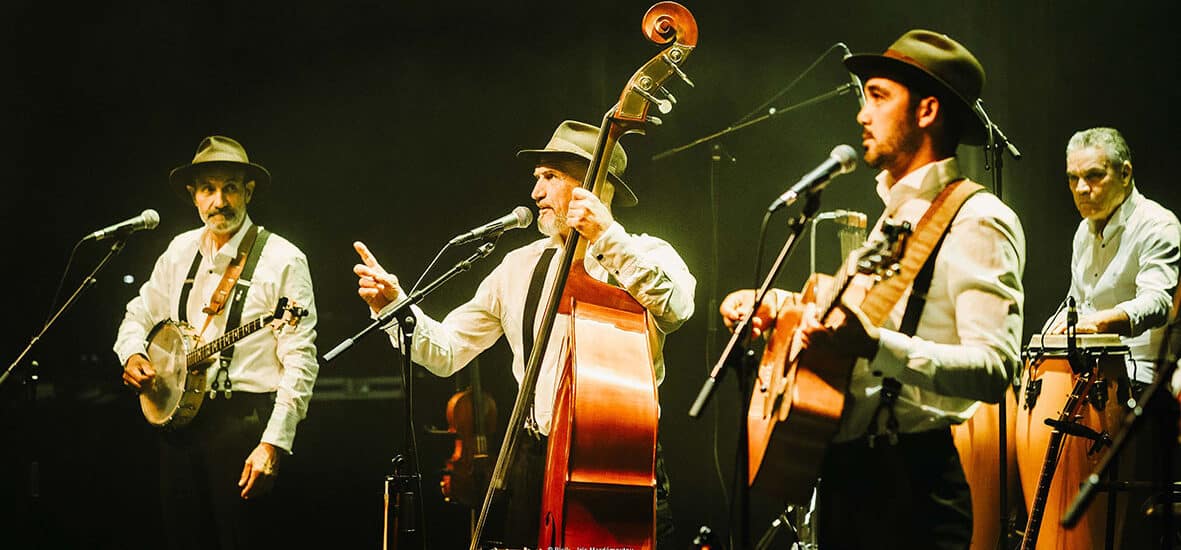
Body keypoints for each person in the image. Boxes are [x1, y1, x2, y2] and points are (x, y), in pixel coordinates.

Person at [720, 30, 1025, 549]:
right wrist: (781, 308)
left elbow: (996, 370)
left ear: (927, 110)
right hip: (847, 481)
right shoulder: (894, 217)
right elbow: (851, 324)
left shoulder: (977, 218)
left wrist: (875, 347)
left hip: (912, 486)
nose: (862, 115)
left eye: (879, 97)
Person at [352, 120, 695, 547]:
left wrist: (607, 236)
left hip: (618, 462)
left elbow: (677, 307)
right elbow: (447, 351)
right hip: (535, 463)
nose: (535, 194)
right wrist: (395, 308)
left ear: (595, 184)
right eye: (537, 179)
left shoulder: (646, 253)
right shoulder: (519, 265)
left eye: (550, 178)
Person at [115, 136, 319, 549]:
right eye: (208, 188)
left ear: (249, 190)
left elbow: (301, 361)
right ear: (193, 196)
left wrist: (273, 443)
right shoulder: (179, 250)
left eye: (229, 187)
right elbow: (139, 312)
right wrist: (132, 352)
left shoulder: (284, 258)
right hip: (179, 429)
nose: (219, 200)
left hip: (242, 427)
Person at [1043, 127, 1180, 386]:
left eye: (1094, 176)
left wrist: (1096, 322)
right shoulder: (1083, 231)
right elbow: (1079, 304)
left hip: (1143, 375)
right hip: (1093, 371)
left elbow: (1158, 303)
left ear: (1125, 173)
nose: (1081, 188)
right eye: (1073, 178)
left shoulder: (1158, 224)